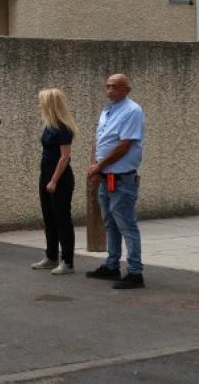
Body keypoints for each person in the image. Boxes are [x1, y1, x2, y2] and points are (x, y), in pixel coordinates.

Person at [85, 73, 146, 289]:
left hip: (121, 177)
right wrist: (95, 164)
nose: (110, 91)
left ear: (127, 89)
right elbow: (101, 139)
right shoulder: (108, 109)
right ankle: (112, 265)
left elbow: (124, 145)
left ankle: (135, 271)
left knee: (126, 224)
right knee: (110, 222)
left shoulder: (132, 111)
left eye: (115, 87)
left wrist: (99, 165)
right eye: (108, 86)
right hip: (106, 177)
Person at [31, 88, 77, 275]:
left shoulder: (62, 128)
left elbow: (65, 157)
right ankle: (51, 256)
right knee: (49, 218)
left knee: (62, 219)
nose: (39, 105)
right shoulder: (48, 126)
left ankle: (67, 261)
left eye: (42, 101)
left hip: (60, 178)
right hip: (46, 175)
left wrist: (54, 181)